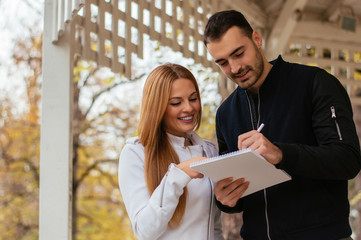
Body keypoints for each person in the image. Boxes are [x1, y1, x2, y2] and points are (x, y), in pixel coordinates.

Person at [203, 9, 361, 240]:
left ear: (257, 39)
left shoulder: (314, 83)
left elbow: (347, 160)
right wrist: (226, 200)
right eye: (223, 62)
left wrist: (280, 154)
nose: (234, 68)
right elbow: (238, 198)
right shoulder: (226, 114)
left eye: (238, 54)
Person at [118, 63, 224, 240]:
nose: (188, 108)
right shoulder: (135, 153)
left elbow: (214, 227)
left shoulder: (209, 150)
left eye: (193, 98)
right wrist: (179, 175)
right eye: (176, 102)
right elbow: (145, 231)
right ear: (157, 107)